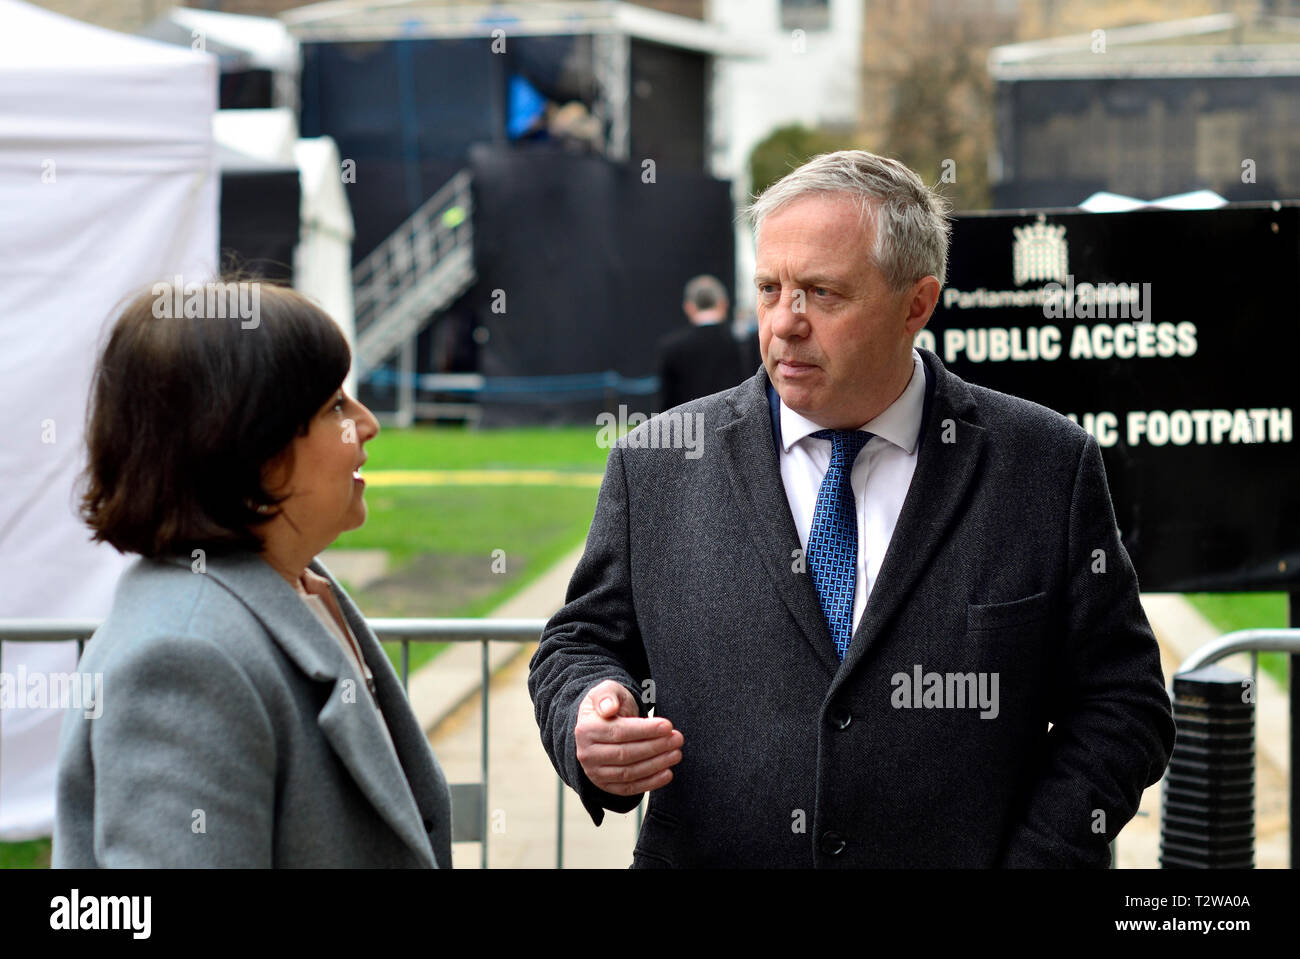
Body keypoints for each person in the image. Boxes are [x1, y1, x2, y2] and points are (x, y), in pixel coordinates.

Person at [529, 150, 1175, 868]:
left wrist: (1039, 855)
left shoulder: (1045, 464)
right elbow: (579, 642)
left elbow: (1124, 703)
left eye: (822, 293)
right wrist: (589, 713)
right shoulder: (654, 463)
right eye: (770, 288)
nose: (784, 323)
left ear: (917, 304)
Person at [53, 281, 452, 868]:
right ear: (249, 444)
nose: (367, 424)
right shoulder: (184, 657)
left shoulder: (296, 587)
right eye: (334, 407)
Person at [655, 275, 748, 412]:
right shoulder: (744, 343)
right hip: (734, 426)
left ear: (689, 307)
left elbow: (666, 404)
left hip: (689, 427)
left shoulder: (671, 348)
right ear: (723, 304)